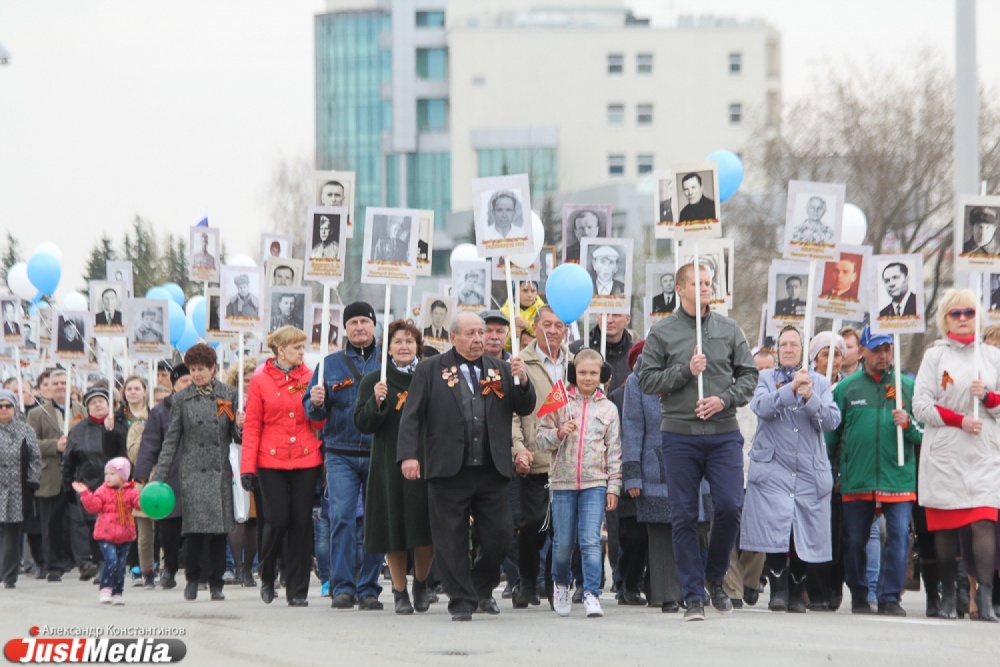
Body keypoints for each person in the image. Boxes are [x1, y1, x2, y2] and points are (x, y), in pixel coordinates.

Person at [638, 262, 758, 621]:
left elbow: (750, 375)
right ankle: (693, 595)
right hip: (680, 435)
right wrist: (684, 372)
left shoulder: (728, 328)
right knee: (684, 516)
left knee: (729, 506)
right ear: (681, 288)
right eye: (697, 282)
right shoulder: (662, 332)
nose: (705, 287)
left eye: (708, 282)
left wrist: (725, 398)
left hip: (722, 433)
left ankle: (715, 576)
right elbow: (646, 380)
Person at [397, 312, 536, 621]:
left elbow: (524, 406)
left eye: (481, 333)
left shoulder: (501, 368)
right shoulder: (430, 369)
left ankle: (479, 585)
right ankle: (461, 600)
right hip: (448, 468)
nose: (479, 339)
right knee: (450, 539)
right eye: (471, 333)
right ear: (453, 338)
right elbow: (412, 415)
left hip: (491, 467)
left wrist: (523, 380)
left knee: (500, 536)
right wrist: (409, 455)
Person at [912, 289, 1000, 621]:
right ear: (945, 318)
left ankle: (986, 599)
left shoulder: (992, 357)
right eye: (955, 313)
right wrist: (959, 419)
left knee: (983, 522)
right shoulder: (935, 356)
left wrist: (989, 397)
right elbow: (921, 404)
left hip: (983, 454)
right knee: (946, 526)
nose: (963, 318)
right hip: (946, 452)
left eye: (968, 312)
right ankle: (948, 595)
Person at [740, 326, 841, 612]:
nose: (787, 349)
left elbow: (831, 420)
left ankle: (797, 591)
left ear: (801, 349)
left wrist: (810, 397)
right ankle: (778, 591)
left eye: (793, 344)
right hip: (774, 468)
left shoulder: (819, 382)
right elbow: (760, 407)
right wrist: (790, 389)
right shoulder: (764, 378)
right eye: (783, 344)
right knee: (776, 527)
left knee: (801, 531)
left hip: (807, 469)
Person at [826, 325, 921, 616]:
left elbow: (923, 433)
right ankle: (858, 593)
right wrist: (832, 471)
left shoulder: (906, 385)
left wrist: (907, 424)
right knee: (854, 539)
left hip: (898, 475)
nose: (883, 355)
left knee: (898, 535)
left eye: (887, 349)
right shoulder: (847, 388)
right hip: (857, 476)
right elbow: (832, 433)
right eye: (877, 349)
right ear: (863, 351)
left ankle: (890, 596)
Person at [305, 302, 385, 611]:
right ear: (346, 329)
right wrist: (315, 401)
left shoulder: (386, 362)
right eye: (353, 322)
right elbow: (314, 412)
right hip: (340, 454)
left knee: (375, 522)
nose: (359, 327)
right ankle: (342, 587)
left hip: (378, 451)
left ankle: (368, 587)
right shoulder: (329, 364)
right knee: (341, 519)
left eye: (365, 320)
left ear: (374, 325)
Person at [148, 344, 243, 602]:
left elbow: (234, 435)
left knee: (219, 531)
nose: (197, 374)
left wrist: (240, 425)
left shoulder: (228, 395)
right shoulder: (181, 399)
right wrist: (159, 477)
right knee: (193, 531)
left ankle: (217, 583)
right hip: (191, 471)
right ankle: (192, 579)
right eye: (192, 370)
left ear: (213, 369)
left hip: (219, 470)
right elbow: (172, 439)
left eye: (201, 369)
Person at [353, 320, 435, 615]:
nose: (404, 346)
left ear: (418, 347)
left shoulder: (430, 376)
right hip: (388, 463)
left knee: (425, 528)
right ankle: (400, 591)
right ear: (388, 347)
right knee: (393, 528)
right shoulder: (375, 379)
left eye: (409, 341)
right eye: (398, 341)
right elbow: (362, 423)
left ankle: (422, 583)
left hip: (425, 461)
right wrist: (376, 401)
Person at [241, 326, 323, 607]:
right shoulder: (260, 380)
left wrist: (319, 406)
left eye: (303, 347)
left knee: (301, 522)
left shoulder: (311, 377)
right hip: (270, 457)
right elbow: (252, 425)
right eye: (297, 347)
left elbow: (318, 423)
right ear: (280, 350)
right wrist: (247, 468)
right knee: (276, 519)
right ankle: (267, 573)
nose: (302, 352)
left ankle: (298, 589)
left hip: (304, 456)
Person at [537, 349, 622, 618]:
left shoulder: (609, 409)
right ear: (574, 373)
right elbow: (540, 438)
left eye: (593, 373)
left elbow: (615, 451)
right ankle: (560, 584)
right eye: (582, 372)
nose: (587, 378)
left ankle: (591, 593)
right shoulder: (559, 399)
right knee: (562, 542)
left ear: (602, 376)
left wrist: (613, 486)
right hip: (562, 482)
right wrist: (559, 433)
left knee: (591, 541)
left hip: (595, 483)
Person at [511, 306, 571, 609]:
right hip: (535, 456)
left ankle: (553, 583)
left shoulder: (575, 363)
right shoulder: (522, 362)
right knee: (533, 523)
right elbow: (512, 412)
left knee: (562, 526)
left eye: (558, 325)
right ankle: (527, 581)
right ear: (535, 327)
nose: (552, 330)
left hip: (568, 459)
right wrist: (518, 447)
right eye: (546, 324)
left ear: (565, 331)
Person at [134, 364, 192, 590]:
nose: (188, 384)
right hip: (169, 477)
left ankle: (195, 572)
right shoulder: (161, 411)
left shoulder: (204, 405)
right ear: (174, 384)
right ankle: (169, 569)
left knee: (195, 529)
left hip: (196, 476)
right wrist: (141, 474)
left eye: (191, 380)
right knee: (168, 530)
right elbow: (149, 444)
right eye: (184, 381)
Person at [27, 370, 84, 582]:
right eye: (56, 383)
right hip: (49, 475)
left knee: (77, 522)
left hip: (75, 475)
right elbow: (31, 443)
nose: (61, 386)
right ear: (49, 387)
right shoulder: (36, 414)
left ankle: (81, 561)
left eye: (64, 383)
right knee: (50, 524)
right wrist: (55, 446)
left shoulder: (81, 410)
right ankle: (52, 565)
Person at [63, 388, 125, 581]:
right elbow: (68, 462)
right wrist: (68, 488)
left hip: (114, 486)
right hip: (89, 485)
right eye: (93, 402)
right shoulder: (78, 430)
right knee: (94, 528)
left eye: (101, 401)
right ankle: (98, 564)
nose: (98, 405)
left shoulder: (118, 426)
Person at [101, 376, 150, 586]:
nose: (132, 392)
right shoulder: (117, 417)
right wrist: (108, 431)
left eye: (137, 388)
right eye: (129, 388)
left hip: (147, 473)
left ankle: (151, 563)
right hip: (124, 478)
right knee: (129, 523)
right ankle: (135, 566)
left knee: (148, 523)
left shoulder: (153, 415)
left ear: (144, 391)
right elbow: (109, 451)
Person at [72, 457, 140, 604]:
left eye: (112, 474)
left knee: (121, 566)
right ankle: (106, 588)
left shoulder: (130, 491)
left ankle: (117, 593)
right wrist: (85, 495)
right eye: (106, 474)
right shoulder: (102, 490)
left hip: (125, 535)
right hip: (106, 535)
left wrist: (148, 500)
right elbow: (94, 506)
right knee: (111, 560)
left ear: (123, 477)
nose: (108, 477)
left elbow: (138, 504)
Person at [0, 388, 42, 589]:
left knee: (12, 532)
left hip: (17, 490)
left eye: (7, 405)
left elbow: (35, 457)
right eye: (0, 406)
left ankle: (8, 576)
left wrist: (32, 481)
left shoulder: (26, 431)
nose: (3, 409)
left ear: (14, 408)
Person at [570, 313, 635, 393]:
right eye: (604, 314)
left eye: (616, 315)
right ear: (597, 317)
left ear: (627, 319)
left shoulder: (636, 354)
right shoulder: (576, 349)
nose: (609, 320)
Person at [501, 281, 545, 352]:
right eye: (525, 290)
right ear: (515, 291)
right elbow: (502, 347)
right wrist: (511, 337)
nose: (529, 295)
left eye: (533, 291)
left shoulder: (543, 311)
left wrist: (527, 326)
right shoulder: (504, 312)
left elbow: (546, 336)